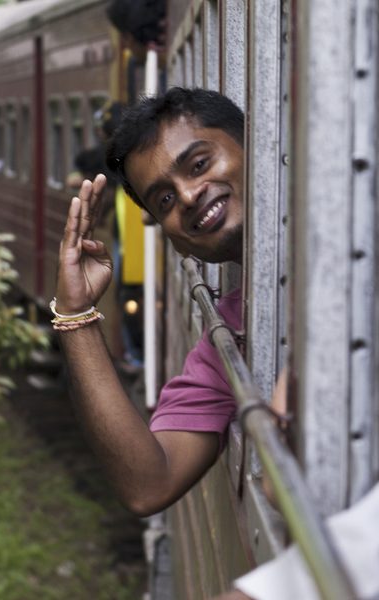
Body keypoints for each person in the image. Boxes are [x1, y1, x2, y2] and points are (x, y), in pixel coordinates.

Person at [53, 87, 254, 517]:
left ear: (259, 142)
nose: (186, 196)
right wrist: (75, 313)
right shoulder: (233, 335)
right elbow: (148, 483)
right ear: (177, 244)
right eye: (164, 200)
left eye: (199, 164)